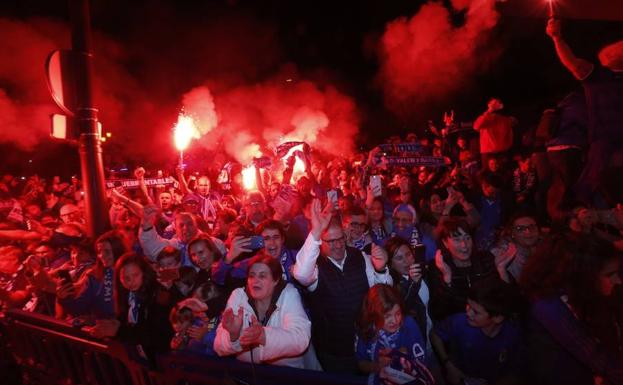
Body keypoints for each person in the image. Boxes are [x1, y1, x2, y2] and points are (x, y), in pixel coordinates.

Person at [292, 199, 392, 373]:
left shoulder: (360, 256)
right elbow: (301, 274)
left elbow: (381, 292)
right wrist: (316, 231)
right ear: (319, 243)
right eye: (330, 241)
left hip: (365, 345)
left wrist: (382, 269)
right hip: (334, 352)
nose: (337, 245)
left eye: (340, 239)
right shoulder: (315, 267)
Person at [520, 234, 623, 385]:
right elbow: (589, 351)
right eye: (609, 274)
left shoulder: (579, 292)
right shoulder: (548, 305)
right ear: (586, 275)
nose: (618, 280)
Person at [546, 18, 623, 204]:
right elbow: (572, 62)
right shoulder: (599, 76)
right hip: (605, 142)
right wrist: (557, 39)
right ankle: (580, 216)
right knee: (592, 184)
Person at [214, 254, 314, 369]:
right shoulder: (238, 296)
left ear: (275, 280)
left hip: (288, 376)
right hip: (248, 375)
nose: (255, 281)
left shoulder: (289, 294)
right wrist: (233, 335)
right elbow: (218, 346)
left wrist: (263, 335)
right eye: (251, 276)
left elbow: (300, 338)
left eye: (262, 276)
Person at [84, 253, 174, 364]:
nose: (130, 281)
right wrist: (112, 325)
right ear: (119, 279)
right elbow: (125, 322)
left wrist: (118, 331)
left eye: (135, 275)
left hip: (160, 357)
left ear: (144, 273)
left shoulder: (158, 294)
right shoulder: (128, 295)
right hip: (137, 354)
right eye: (125, 278)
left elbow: (154, 334)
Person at [431, 279, 524, 385]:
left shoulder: (512, 333)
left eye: (475, 312)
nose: (468, 313)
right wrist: (447, 364)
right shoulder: (459, 322)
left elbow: (515, 369)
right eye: (468, 305)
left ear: (498, 317)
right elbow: (435, 334)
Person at [355, 284, 432, 385]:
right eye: (387, 316)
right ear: (374, 315)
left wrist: (405, 359)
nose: (394, 321)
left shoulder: (408, 324)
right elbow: (361, 363)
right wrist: (377, 366)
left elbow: (422, 363)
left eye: (398, 313)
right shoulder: (368, 329)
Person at [429, 218, 497, 321]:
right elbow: (438, 312)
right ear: (445, 243)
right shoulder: (438, 267)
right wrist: (447, 279)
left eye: (467, 238)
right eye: (457, 240)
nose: (464, 245)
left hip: (487, 321)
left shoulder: (485, 260)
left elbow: (500, 298)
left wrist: (501, 271)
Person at [57, 230, 128, 320]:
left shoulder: (130, 273)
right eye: (99, 251)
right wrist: (64, 298)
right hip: (102, 329)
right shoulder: (94, 276)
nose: (102, 256)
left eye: (107, 251)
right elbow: (79, 308)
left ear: (117, 250)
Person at [473, 98, 517, 168]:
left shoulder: (506, 119)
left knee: (503, 174)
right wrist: (489, 111)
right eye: (493, 103)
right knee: (488, 175)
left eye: (497, 103)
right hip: (488, 153)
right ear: (488, 105)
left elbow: (510, 135)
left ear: (501, 105)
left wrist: (507, 147)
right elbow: (476, 126)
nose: (495, 105)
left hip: (502, 153)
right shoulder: (486, 117)